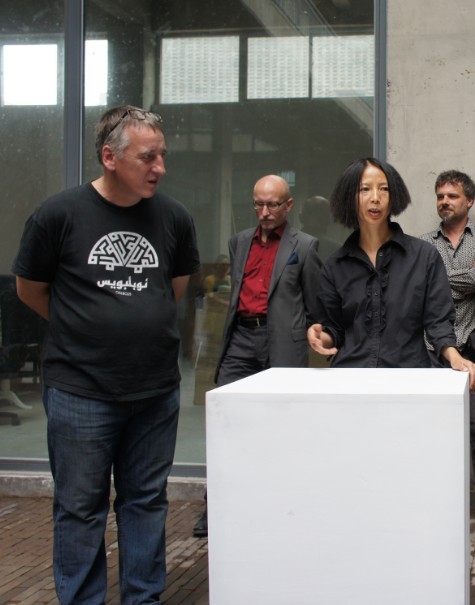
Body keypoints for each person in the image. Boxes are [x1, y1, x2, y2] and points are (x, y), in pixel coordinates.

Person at [12, 105, 200, 604]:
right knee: (80, 508)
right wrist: (84, 329)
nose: (160, 167)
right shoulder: (59, 215)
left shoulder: (175, 218)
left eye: (162, 155)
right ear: (110, 157)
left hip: (155, 391)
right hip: (80, 391)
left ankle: (143, 598)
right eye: (148, 157)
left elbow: (173, 289)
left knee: (146, 501)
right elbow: (30, 289)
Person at [192, 174, 323, 537]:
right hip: (240, 341)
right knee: (227, 426)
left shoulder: (305, 246)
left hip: (281, 342)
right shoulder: (238, 242)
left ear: (288, 205)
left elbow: (314, 304)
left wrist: (316, 332)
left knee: (281, 429)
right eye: (258, 204)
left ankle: (279, 506)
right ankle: (215, 508)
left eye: (272, 205)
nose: (264, 212)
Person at [306, 157, 475, 388]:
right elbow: (334, 329)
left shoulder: (424, 257)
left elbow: (438, 322)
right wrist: (321, 337)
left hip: (408, 378)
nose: (375, 197)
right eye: (365, 189)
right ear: (350, 197)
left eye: (384, 189)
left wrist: (455, 357)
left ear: (394, 195)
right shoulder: (334, 265)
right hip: (351, 380)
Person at [419, 170, 475, 533]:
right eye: (440, 196)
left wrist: (442, 278)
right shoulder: (424, 245)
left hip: (473, 352)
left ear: (469, 201)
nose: (444, 202)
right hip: (432, 351)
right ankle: (435, 502)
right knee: (433, 432)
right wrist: (465, 275)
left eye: (452, 196)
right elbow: (423, 291)